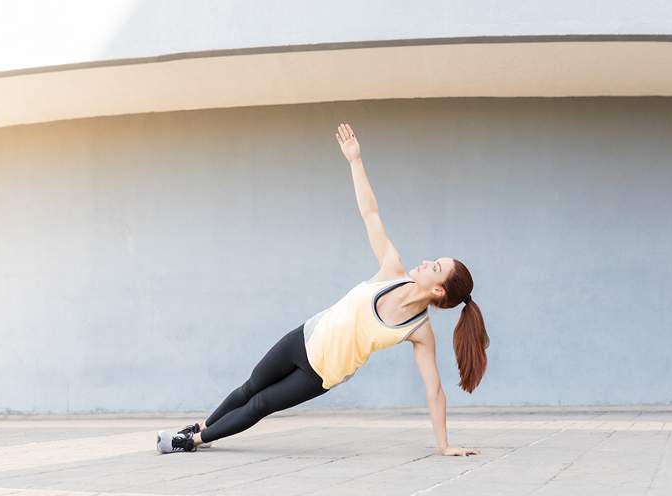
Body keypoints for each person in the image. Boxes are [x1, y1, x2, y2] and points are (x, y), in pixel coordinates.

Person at [157, 123, 489, 456]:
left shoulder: (419, 331)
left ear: (440, 293)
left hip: (322, 372)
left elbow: (434, 391)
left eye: (435, 268)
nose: (427, 261)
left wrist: (444, 446)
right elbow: (370, 213)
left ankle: (190, 442)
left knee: (261, 403)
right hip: (304, 337)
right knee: (250, 386)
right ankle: (203, 429)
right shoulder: (393, 269)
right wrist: (355, 160)